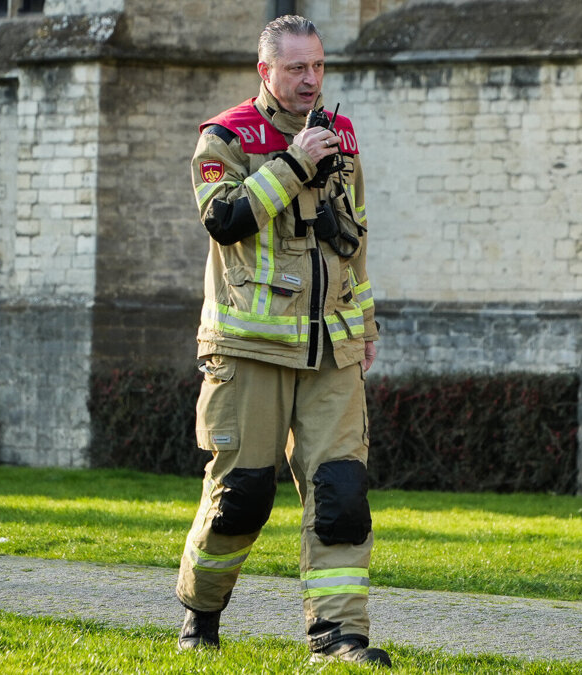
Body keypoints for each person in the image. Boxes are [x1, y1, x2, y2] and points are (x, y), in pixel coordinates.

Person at [174, 14, 389, 668]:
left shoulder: (342, 135)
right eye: (296, 68)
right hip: (249, 351)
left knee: (342, 495)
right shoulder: (225, 136)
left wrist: (369, 320)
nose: (310, 80)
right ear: (265, 71)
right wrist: (295, 164)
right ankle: (200, 615)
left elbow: (356, 237)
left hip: (333, 351)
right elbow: (225, 219)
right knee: (241, 497)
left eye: (318, 66)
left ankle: (339, 640)